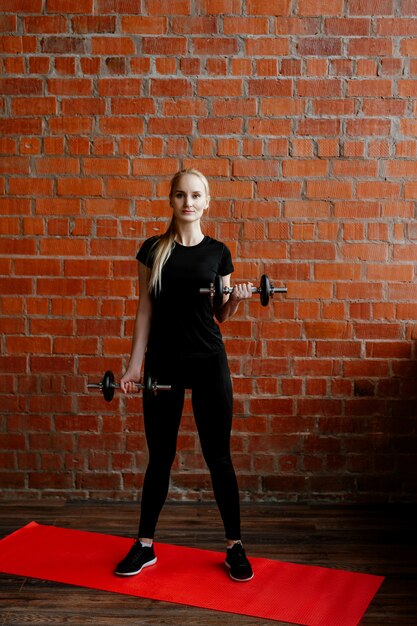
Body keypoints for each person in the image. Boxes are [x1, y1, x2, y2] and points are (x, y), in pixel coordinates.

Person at [115, 168, 254, 582]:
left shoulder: (219, 253)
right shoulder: (153, 251)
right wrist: (134, 365)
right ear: (171, 200)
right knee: (160, 457)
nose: (188, 202)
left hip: (209, 359)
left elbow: (220, 313)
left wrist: (238, 300)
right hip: (164, 362)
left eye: (195, 195)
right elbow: (145, 311)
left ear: (206, 202)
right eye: (180, 195)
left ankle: (234, 547)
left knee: (219, 457)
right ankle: (144, 545)